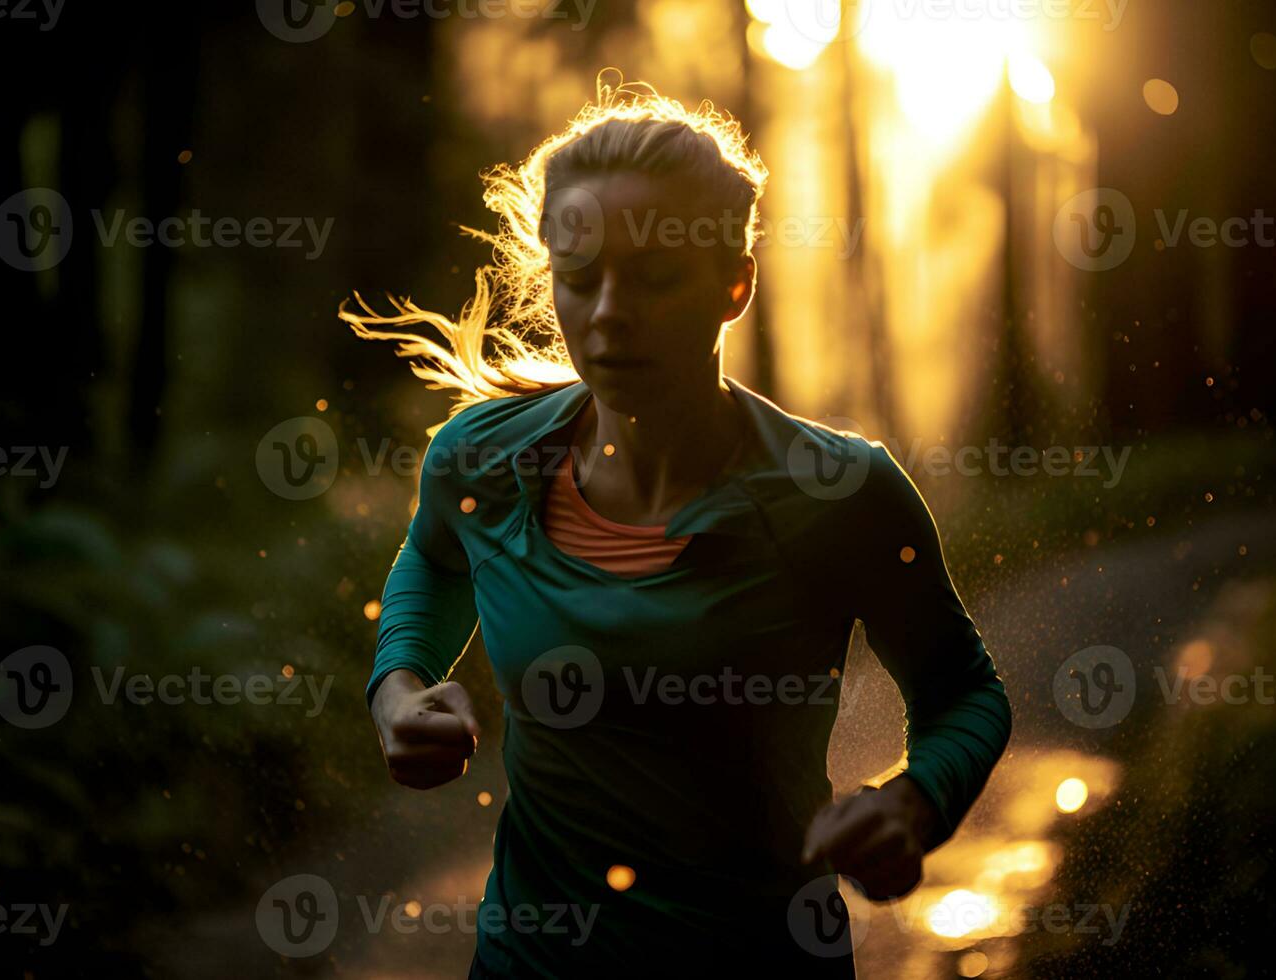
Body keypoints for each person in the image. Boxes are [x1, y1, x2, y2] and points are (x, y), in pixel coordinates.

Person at [343, 70, 1012, 978]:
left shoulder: (840, 492)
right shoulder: (481, 460)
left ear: (733, 285)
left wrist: (915, 802)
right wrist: (398, 689)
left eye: (655, 277)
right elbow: (432, 562)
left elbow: (964, 692)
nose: (610, 313)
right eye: (580, 280)